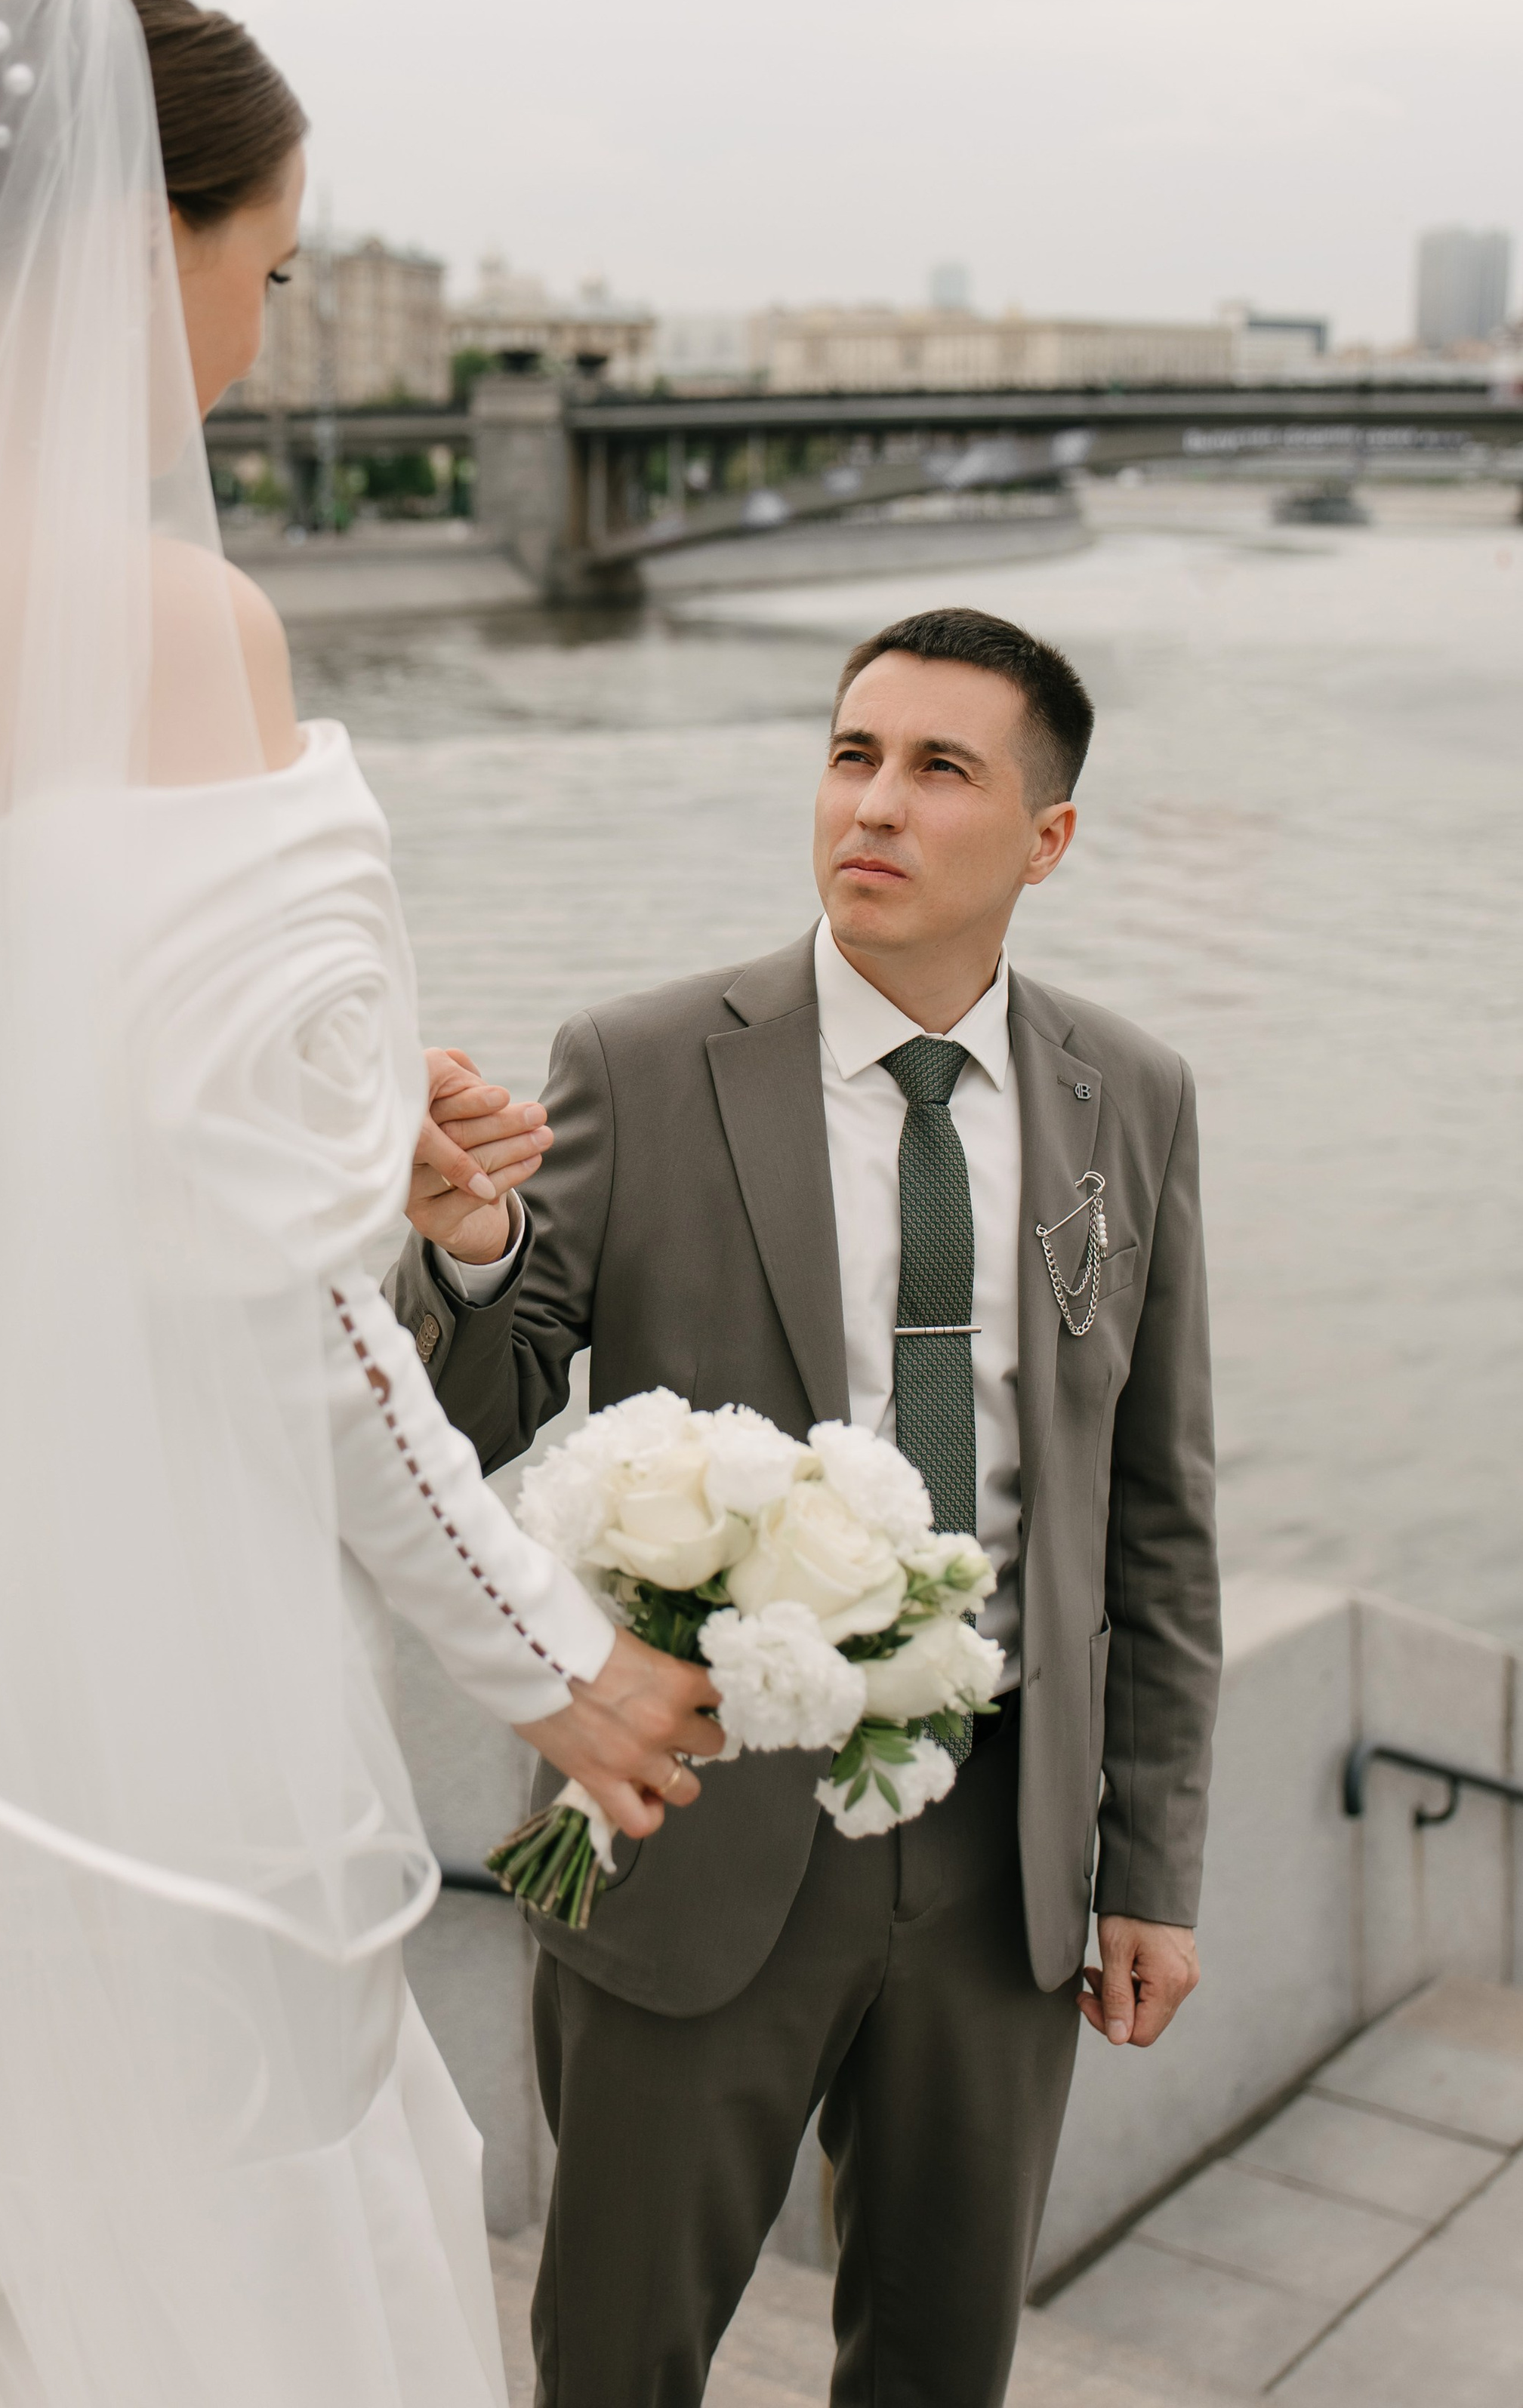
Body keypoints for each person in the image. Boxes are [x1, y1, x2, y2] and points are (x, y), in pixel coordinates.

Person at [0, 0, 720, 2408]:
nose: (261, 319)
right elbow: (283, 1316)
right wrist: (548, 1658)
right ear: (135, 244)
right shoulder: (166, 627)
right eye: (269, 260)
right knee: (223, 2266)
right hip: (127, 1697)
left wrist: (279, 1134)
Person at [395, 608, 1222, 2408]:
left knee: (939, 2364)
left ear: (1047, 839)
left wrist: (1143, 1860)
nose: (876, 805)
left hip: (1003, 1856)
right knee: (615, 2355)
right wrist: (465, 1249)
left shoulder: (1130, 1099)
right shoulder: (641, 1056)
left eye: (940, 770)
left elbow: (1156, 1515)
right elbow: (491, 1395)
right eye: (852, 755)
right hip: (693, 1815)